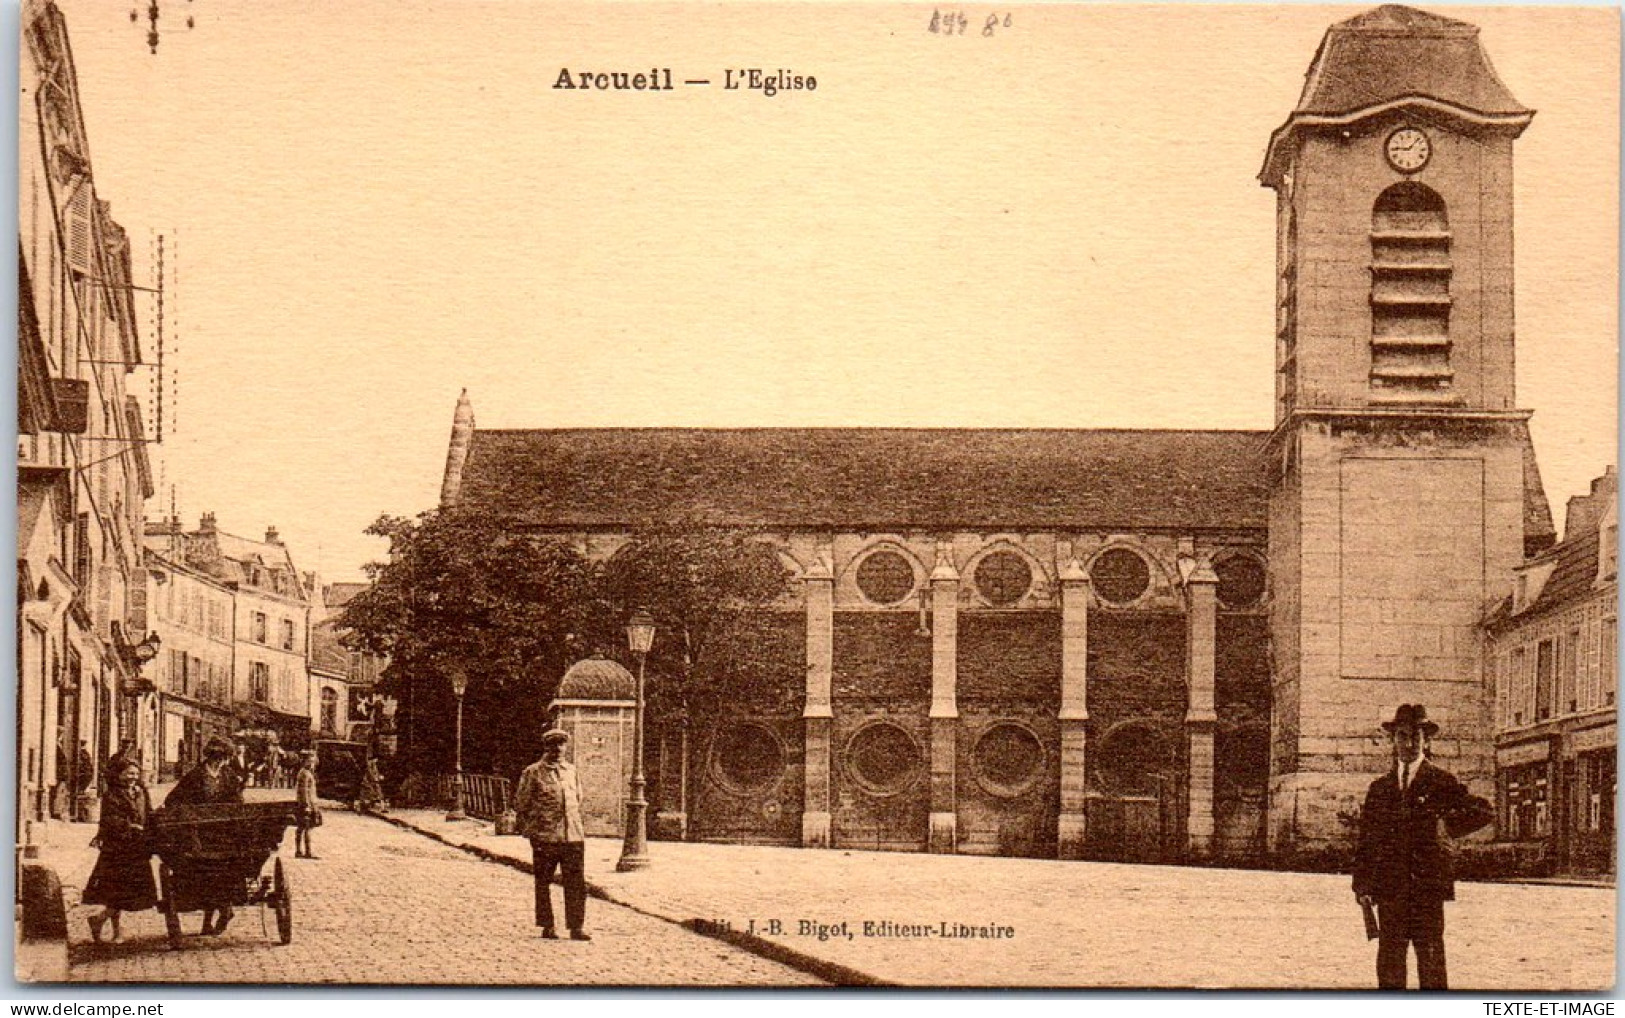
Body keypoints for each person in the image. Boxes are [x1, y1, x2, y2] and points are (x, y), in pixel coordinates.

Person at [1352, 704, 1494, 990]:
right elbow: (1367, 841)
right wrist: (1362, 886)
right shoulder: (1379, 788)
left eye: (1415, 737)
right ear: (1392, 740)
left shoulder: (1440, 782)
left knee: (1430, 961)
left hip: (1427, 888)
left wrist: (1447, 828)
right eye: (1402, 736)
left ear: (1426, 741)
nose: (1408, 743)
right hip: (1390, 889)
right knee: (1390, 962)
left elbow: (1483, 811)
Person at [165, 736, 246, 935]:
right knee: (205, 873)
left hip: (223, 835)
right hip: (199, 835)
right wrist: (191, 815)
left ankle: (224, 910)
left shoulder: (228, 775)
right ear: (211, 757)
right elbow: (173, 801)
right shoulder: (195, 776)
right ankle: (213, 917)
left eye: (225, 758)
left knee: (226, 870)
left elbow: (238, 802)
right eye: (218, 758)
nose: (221, 762)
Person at [515, 729, 590, 941]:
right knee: (543, 882)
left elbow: (578, 798)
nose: (557, 749)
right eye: (553, 745)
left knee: (576, 882)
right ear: (545, 747)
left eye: (561, 745)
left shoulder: (571, 771)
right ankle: (547, 925)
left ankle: (576, 927)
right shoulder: (533, 772)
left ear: (566, 747)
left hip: (573, 835)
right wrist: (536, 827)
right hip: (545, 836)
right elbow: (522, 803)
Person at [82, 758, 156, 944]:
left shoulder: (141, 792)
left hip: (137, 848)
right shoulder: (111, 795)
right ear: (119, 774)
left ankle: (105, 924)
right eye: (129, 773)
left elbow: (149, 813)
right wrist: (130, 826)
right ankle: (108, 925)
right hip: (118, 850)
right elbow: (110, 820)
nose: (133, 777)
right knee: (117, 891)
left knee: (126, 892)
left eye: (136, 774)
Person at [294, 750, 321, 859]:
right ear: (305, 761)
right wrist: (307, 805)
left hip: (306, 803)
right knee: (307, 827)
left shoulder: (305, 772)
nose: (312, 763)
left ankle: (299, 851)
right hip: (306, 805)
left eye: (313, 761)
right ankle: (307, 852)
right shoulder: (305, 773)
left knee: (301, 828)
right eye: (310, 761)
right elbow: (304, 791)